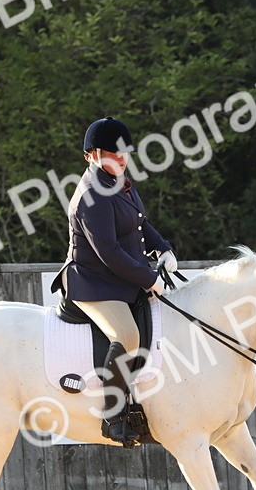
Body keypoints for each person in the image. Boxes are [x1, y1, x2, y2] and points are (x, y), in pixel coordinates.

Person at [54, 117, 178, 445]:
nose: (122, 158)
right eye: (113, 152)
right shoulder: (90, 198)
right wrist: (150, 279)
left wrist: (163, 249)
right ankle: (113, 416)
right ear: (91, 155)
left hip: (118, 279)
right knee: (127, 334)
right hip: (92, 284)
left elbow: (139, 224)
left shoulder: (119, 180)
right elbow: (108, 251)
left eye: (125, 152)